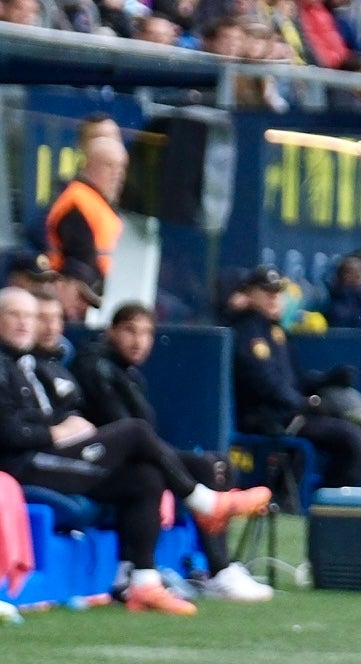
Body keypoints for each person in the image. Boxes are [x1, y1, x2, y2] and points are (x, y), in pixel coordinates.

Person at [0, 288, 271, 615]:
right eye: (15, 315)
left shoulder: (30, 365)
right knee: (135, 432)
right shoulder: (18, 365)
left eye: (30, 316)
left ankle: (142, 582)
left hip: (53, 456)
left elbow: (57, 412)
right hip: (23, 465)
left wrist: (70, 424)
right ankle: (205, 503)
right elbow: (10, 431)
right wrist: (57, 431)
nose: (25, 323)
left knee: (145, 477)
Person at [73, 302, 273, 602]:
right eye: (129, 330)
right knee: (197, 469)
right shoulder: (95, 367)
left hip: (126, 457)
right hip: (102, 463)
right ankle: (218, 569)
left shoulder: (127, 373)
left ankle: (215, 565)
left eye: (146, 333)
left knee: (217, 464)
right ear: (110, 331)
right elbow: (123, 428)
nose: (138, 341)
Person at [230, 266, 361, 489]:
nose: (273, 298)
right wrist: (305, 403)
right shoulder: (248, 333)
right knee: (353, 441)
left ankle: (329, 498)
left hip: (292, 413)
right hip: (271, 418)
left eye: (277, 292)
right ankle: (326, 503)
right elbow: (264, 385)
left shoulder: (276, 332)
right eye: (266, 292)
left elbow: (295, 380)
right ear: (249, 294)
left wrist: (327, 380)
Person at [45, 135, 129, 317]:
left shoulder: (98, 201)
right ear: (88, 165)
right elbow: (79, 259)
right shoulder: (78, 201)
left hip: (95, 296)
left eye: (122, 167)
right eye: (109, 165)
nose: (118, 174)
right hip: (78, 301)